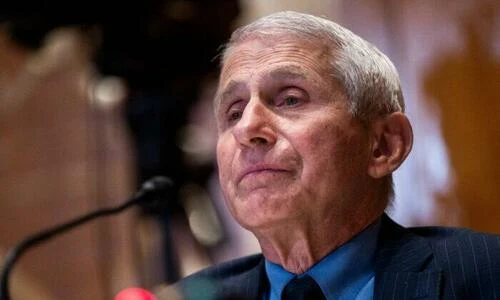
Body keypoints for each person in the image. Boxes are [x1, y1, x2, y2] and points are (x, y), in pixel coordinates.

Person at [158, 11, 500, 300]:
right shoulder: (191, 296)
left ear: (383, 146)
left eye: (290, 99)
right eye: (233, 112)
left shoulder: (488, 275)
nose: (247, 129)